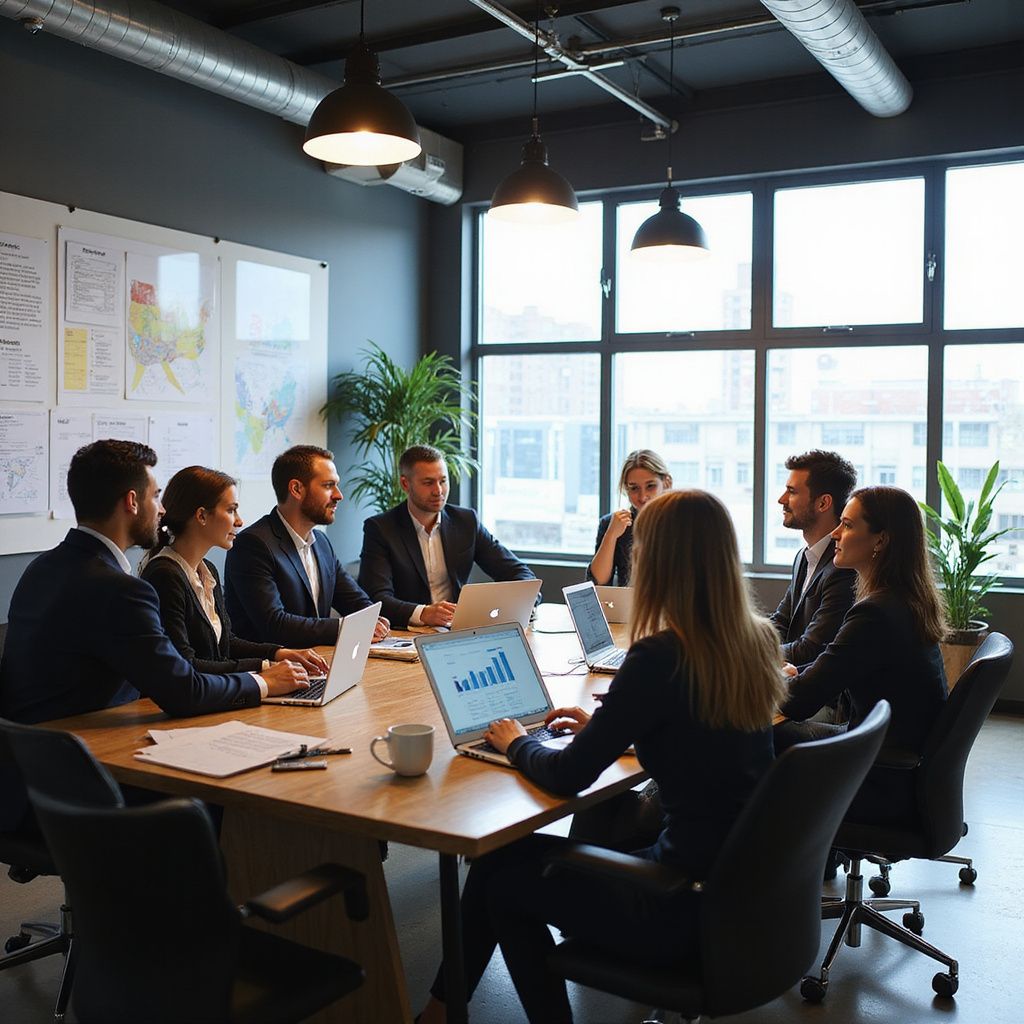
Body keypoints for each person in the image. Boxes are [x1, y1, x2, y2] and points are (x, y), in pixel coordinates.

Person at [418, 490, 787, 1024]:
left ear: (658, 561)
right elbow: (701, 736)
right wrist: (610, 727)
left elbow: (568, 775)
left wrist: (517, 741)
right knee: (504, 862)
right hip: (735, 892)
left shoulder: (660, 656)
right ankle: (439, 1009)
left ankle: (448, 1011)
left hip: (674, 903)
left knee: (499, 875)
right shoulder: (753, 640)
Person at [0, 440, 310, 831]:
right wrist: (263, 681)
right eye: (156, 495)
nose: (162, 509)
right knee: (239, 789)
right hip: (84, 784)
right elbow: (184, 690)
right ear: (132, 501)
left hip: (30, 777)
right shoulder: (119, 588)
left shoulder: (42, 569)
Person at [775, 485, 948, 821]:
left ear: (880, 540)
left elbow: (800, 702)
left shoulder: (876, 613)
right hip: (895, 761)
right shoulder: (905, 600)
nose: (836, 533)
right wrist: (798, 672)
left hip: (879, 777)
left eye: (848, 525)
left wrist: (752, 681)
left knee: (749, 733)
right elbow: (844, 664)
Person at [140, 465, 329, 681]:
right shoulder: (165, 574)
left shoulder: (207, 569)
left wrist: (279, 653)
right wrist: (266, 668)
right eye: (231, 510)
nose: (239, 521)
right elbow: (187, 665)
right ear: (202, 515)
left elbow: (226, 642)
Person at [224, 445, 389, 647]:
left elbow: (354, 601)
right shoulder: (252, 545)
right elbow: (275, 625)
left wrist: (373, 620)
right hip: (271, 669)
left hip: (318, 662)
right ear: (296, 489)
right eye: (328, 485)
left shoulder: (321, 542)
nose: (339, 495)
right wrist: (349, 627)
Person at [357, 444, 536, 629]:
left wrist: (524, 602)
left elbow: (517, 572)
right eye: (428, 483)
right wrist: (424, 613)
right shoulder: (380, 528)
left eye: (443, 481)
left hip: (457, 630)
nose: (438, 491)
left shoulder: (466, 521)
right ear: (405, 484)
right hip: (407, 633)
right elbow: (376, 599)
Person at [770, 450, 858, 665]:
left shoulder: (844, 567)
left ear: (823, 503)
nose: (781, 499)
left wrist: (748, 653)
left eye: (791, 492)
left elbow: (811, 649)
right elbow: (781, 622)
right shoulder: (803, 556)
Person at [587, 449, 671, 587]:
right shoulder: (612, 523)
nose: (642, 497)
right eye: (634, 488)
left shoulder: (682, 522)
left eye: (650, 486)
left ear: (666, 483)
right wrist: (611, 535)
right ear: (626, 489)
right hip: (628, 607)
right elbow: (597, 583)